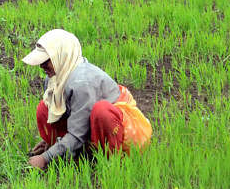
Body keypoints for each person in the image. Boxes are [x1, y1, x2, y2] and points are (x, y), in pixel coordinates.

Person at [23, 29, 151, 169]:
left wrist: (45, 158)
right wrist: (49, 141)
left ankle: (112, 163)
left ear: (62, 56)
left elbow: (78, 133)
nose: (41, 66)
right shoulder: (54, 78)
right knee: (44, 108)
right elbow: (68, 116)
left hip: (115, 130)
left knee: (102, 111)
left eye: (46, 61)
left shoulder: (82, 83)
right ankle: (75, 155)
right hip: (88, 125)